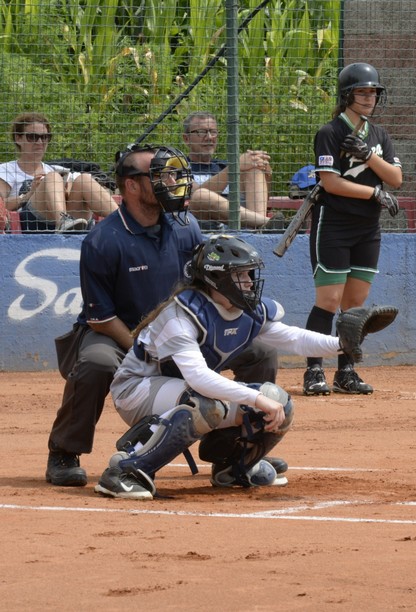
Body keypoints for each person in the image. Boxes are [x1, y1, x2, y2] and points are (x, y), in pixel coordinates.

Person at [44, 144, 279, 488]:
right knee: (96, 363)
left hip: (181, 329)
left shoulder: (186, 228)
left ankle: (233, 450)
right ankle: (65, 451)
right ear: (132, 186)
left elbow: (203, 288)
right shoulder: (103, 240)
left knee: (261, 350)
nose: (170, 181)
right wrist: (152, 351)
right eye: (159, 176)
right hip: (117, 333)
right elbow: (100, 318)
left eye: (170, 174)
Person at [94, 235, 376, 499]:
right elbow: (199, 378)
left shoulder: (243, 310)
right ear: (217, 279)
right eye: (240, 275)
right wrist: (255, 398)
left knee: (281, 403)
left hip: (178, 389)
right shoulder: (181, 317)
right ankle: (128, 468)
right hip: (136, 390)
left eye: (249, 274)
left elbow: (294, 338)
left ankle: (233, 467)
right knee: (208, 403)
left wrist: (342, 344)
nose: (250, 282)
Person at [301, 62, 403, 396]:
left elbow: (395, 178)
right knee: (328, 301)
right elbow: (330, 183)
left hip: (367, 228)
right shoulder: (330, 132)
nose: (369, 97)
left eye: (373, 92)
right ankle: (314, 370)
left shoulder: (379, 135)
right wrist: (374, 192)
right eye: (362, 91)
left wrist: (370, 158)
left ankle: (346, 371)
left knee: (355, 305)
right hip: (335, 224)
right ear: (347, 95)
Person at [0, 112, 118, 232]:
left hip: (72, 223)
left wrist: (67, 191)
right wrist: (28, 195)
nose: (40, 142)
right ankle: (62, 221)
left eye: (45, 137)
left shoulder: (55, 169)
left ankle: (124, 220)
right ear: (18, 138)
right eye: (33, 137)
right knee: (53, 177)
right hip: (30, 224)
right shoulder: (6, 170)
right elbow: (1, 205)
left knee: (84, 179)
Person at [181, 111, 282, 230]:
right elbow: (195, 200)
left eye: (213, 132)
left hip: (242, 231)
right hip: (202, 230)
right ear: (186, 138)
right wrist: (235, 167)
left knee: (254, 169)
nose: (209, 137)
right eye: (201, 132)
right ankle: (267, 223)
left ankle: (260, 229)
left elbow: (262, 196)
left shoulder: (224, 166)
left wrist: (265, 173)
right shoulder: (180, 168)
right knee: (200, 195)